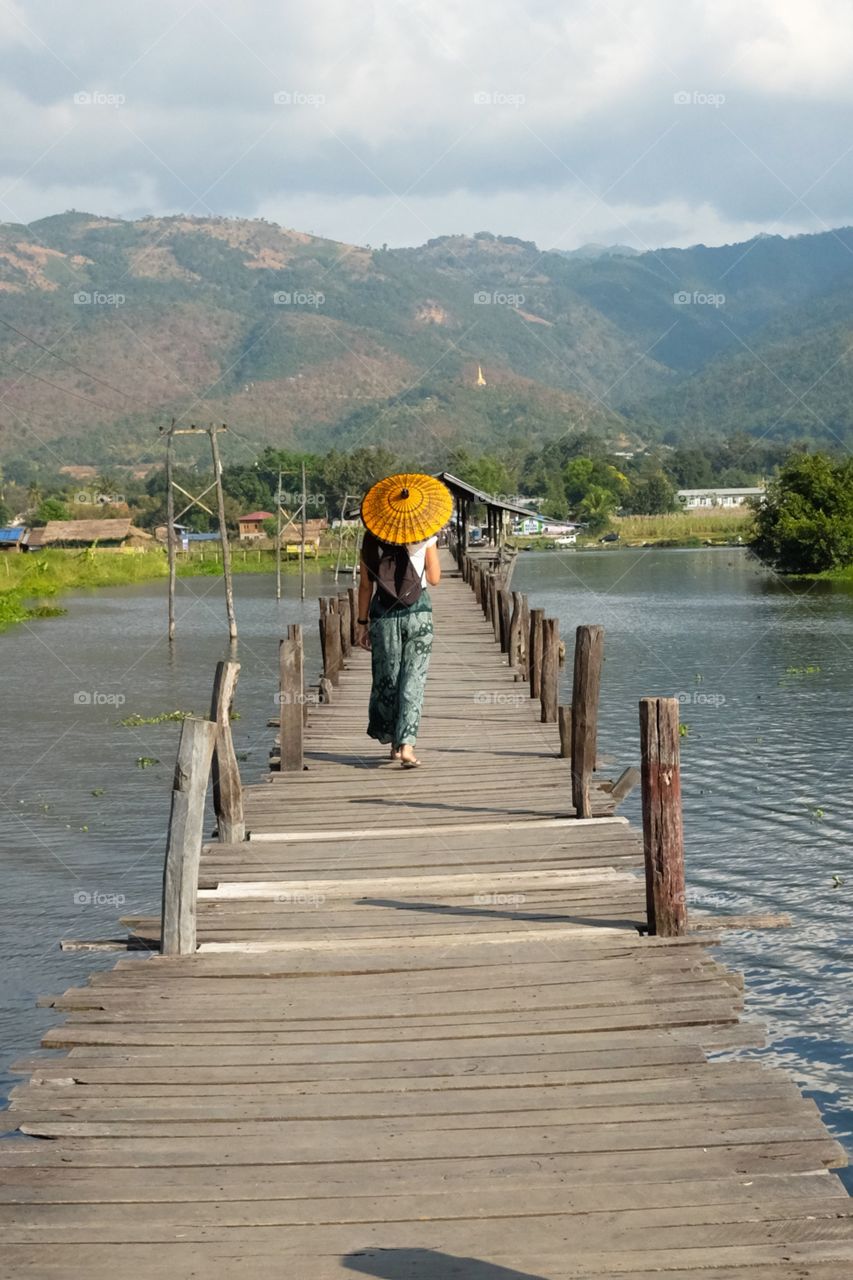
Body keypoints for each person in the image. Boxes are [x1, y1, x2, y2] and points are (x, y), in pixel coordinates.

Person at [355, 529, 441, 767]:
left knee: (389, 678)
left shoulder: (371, 540)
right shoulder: (424, 534)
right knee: (414, 678)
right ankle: (407, 746)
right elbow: (434, 578)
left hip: (384, 616)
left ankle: (394, 741)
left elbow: (365, 586)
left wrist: (362, 624)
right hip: (419, 615)